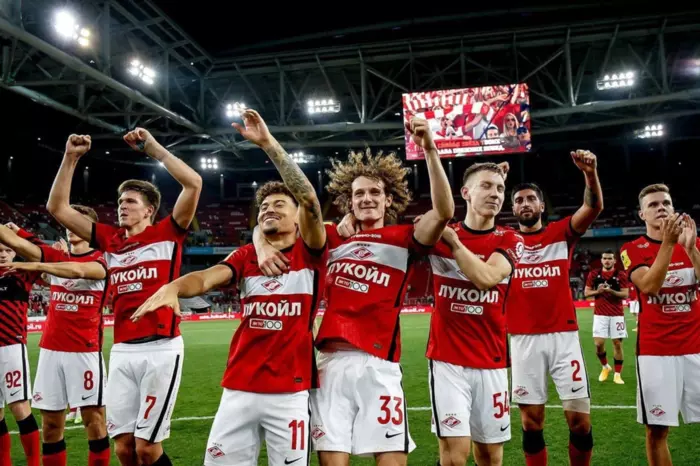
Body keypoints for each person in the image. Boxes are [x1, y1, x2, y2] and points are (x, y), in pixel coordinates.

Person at [131, 109, 327, 466]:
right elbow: (207, 277)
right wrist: (176, 286)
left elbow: (310, 200)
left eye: (279, 204)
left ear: (298, 217)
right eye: (263, 206)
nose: (268, 209)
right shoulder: (246, 255)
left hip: (291, 392)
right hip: (238, 387)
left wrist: (267, 144)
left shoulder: (311, 253)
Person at [46, 131, 202, 466]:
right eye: (120, 202)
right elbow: (57, 207)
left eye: (130, 202)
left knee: (147, 449)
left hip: (161, 348)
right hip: (121, 351)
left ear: (149, 210)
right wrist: (71, 158)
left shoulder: (168, 232)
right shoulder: (110, 240)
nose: (122, 206)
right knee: (124, 449)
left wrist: (153, 149)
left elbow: (193, 183)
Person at [304, 117, 452, 466]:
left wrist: (430, 149)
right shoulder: (331, 238)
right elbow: (273, 231)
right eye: (359, 194)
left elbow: (444, 212)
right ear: (349, 202)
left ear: (388, 201)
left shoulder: (404, 238)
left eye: (374, 193)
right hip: (330, 365)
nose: (366, 198)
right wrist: (260, 245)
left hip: (379, 365)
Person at [506, 150, 603, 466]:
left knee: (580, 422)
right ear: (513, 209)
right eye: (519, 200)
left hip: (564, 339)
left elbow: (592, 207)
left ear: (541, 205)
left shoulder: (560, 233)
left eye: (530, 199)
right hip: (523, 340)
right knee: (531, 422)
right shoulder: (504, 242)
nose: (525, 204)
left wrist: (589, 173)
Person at [426, 162, 523, 466]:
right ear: (465, 193)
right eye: (486, 186)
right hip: (447, 361)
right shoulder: (438, 234)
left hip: (491, 362)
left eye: (500, 188)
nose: (495, 194)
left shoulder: (511, 239)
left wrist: (454, 244)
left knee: (491, 456)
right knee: (455, 456)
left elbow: (487, 278)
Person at [0, 206, 110, 466]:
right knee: (50, 426)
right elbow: (15, 242)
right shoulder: (56, 256)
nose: (72, 227)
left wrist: (38, 263)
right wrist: (21, 234)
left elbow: (77, 271)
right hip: (50, 351)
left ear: (91, 230)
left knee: (94, 423)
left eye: (79, 222)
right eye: (69, 222)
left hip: (84, 351)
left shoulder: (102, 261)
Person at [619, 183, 700, 466]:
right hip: (656, 353)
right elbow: (650, 286)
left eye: (666, 203)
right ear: (642, 214)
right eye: (653, 205)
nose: (661, 208)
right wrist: (669, 243)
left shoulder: (694, 243)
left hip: (696, 347)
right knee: (657, 430)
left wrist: (690, 250)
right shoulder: (631, 249)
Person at [0, 224, 42, 466]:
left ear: (15, 251)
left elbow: (43, 255)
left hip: (11, 349)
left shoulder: (22, 274)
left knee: (19, 407)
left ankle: (33, 463)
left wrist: (21, 233)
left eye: (8, 249)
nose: (3, 254)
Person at [584, 250, 629, 384]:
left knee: (617, 344)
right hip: (600, 315)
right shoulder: (593, 274)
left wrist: (611, 291)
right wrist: (598, 291)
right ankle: (605, 367)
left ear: (614, 261)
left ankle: (617, 374)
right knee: (599, 344)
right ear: (601, 260)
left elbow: (625, 294)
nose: (607, 261)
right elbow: (586, 293)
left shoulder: (621, 275)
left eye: (609, 258)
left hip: (617, 315)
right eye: (604, 258)